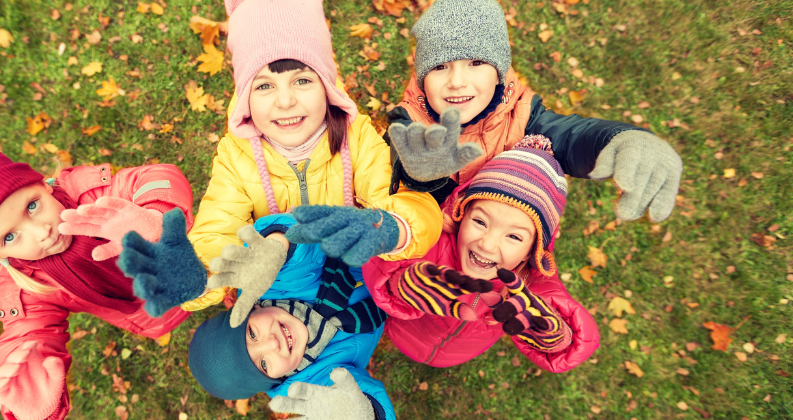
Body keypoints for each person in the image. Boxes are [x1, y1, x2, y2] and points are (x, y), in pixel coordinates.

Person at [152, 0, 443, 319]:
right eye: (264, 85)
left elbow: (407, 203)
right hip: (277, 295)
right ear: (245, 98)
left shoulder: (357, 138)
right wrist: (199, 272)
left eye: (302, 80)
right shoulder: (236, 156)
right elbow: (217, 228)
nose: (286, 100)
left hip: (350, 289)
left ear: (326, 87)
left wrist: (395, 227)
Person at [0, 139, 197, 420]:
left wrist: (154, 215)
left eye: (32, 206)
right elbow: (29, 333)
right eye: (9, 237)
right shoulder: (20, 285)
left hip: (193, 259)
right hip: (150, 316)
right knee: (179, 307)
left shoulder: (88, 195)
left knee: (209, 279)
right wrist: (34, 404)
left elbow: (158, 177)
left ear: (42, 184)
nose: (41, 232)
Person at [385, 0, 682, 222]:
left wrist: (618, 138)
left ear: (499, 72)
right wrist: (423, 178)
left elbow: (570, 137)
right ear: (423, 79)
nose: (457, 81)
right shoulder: (408, 123)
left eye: (475, 63)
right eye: (439, 67)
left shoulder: (523, 116)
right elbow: (394, 193)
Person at [119, 212, 396, 420]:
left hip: (375, 236)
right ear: (276, 381)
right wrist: (365, 413)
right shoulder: (308, 381)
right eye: (263, 363)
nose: (273, 344)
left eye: (252, 334)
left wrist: (277, 246)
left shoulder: (272, 285)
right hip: (396, 293)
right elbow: (363, 395)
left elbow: (299, 244)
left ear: (252, 309)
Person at [362, 136, 599, 371]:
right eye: (480, 221)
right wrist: (400, 283)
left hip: (459, 352)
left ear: (531, 252)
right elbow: (379, 259)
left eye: (514, 236)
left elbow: (570, 328)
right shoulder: (432, 239)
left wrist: (558, 338)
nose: (487, 244)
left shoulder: (532, 290)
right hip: (403, 330)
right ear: (461, 213)